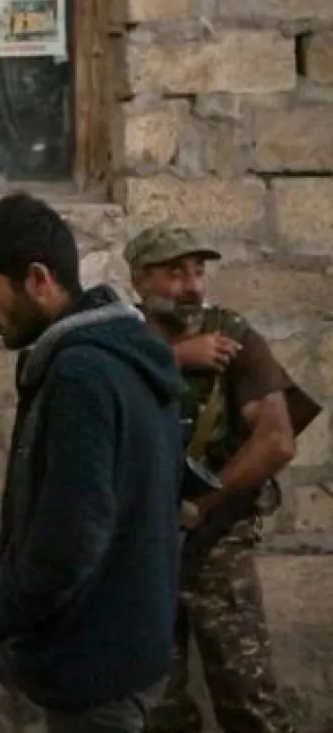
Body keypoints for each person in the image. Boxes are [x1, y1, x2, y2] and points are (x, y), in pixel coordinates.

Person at [0, 192, 183, 732]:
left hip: (100, 651)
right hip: (119, 630)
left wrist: (9, 605)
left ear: (39, 279)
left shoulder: (83, 373)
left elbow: (75, 532)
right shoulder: (112, 356)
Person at [125, 224, 317, 733]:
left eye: (197, 272)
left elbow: (276, 440)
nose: (191, 287)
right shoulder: (121, 339)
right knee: (154, 704)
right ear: (138, 282)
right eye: (174, 274)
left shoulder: (233, 335)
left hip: (216, 540)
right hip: (143, 543)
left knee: (247, 698)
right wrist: (173, 358)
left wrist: (201, 506)